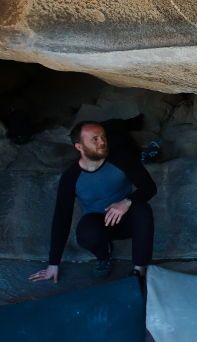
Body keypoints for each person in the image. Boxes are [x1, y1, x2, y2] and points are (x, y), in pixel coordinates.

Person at [29, 119, 157, 283]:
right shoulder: (71, 177)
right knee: (86, 232)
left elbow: (149, 187)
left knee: (143, 209)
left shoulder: (122, 159)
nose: (102, 142)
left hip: (128, 219)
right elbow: (62, 218)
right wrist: (53, 263)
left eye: (103, 137)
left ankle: (139, 269)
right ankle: (104, 256)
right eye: (94, 139)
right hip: (100, 224)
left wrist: (127, 201)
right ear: (79, 147)